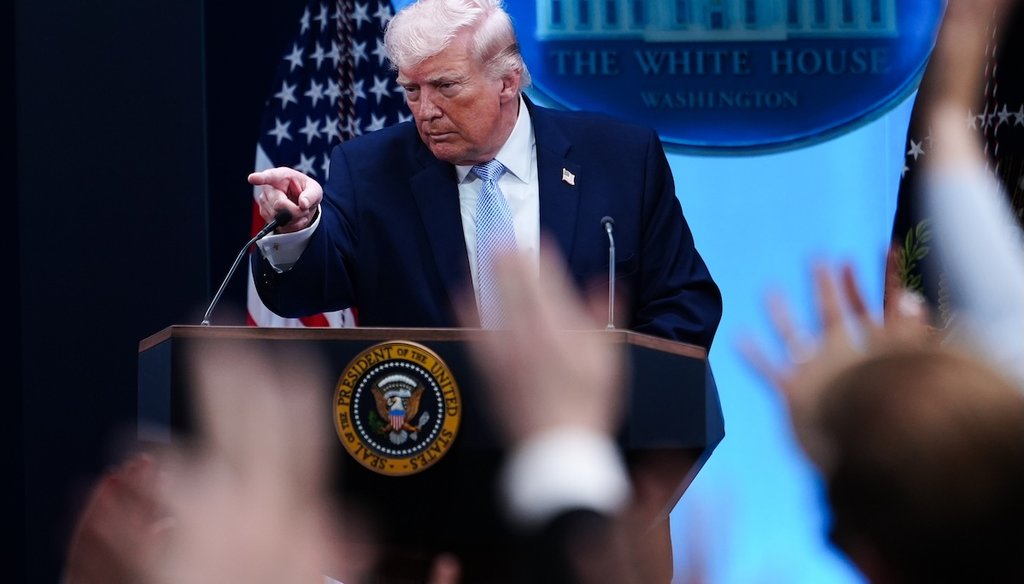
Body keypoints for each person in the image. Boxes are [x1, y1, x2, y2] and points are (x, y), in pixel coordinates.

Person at [247, 0, 722, 348]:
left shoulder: (620, 159)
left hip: (590, 434)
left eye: (446, 86)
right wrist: (296, 231)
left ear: (507, 81)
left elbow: (685, 302)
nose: (425, 110)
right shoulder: (369, 169)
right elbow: (301, 297)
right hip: (432, 438)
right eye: (411, 90)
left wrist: (616, 392)